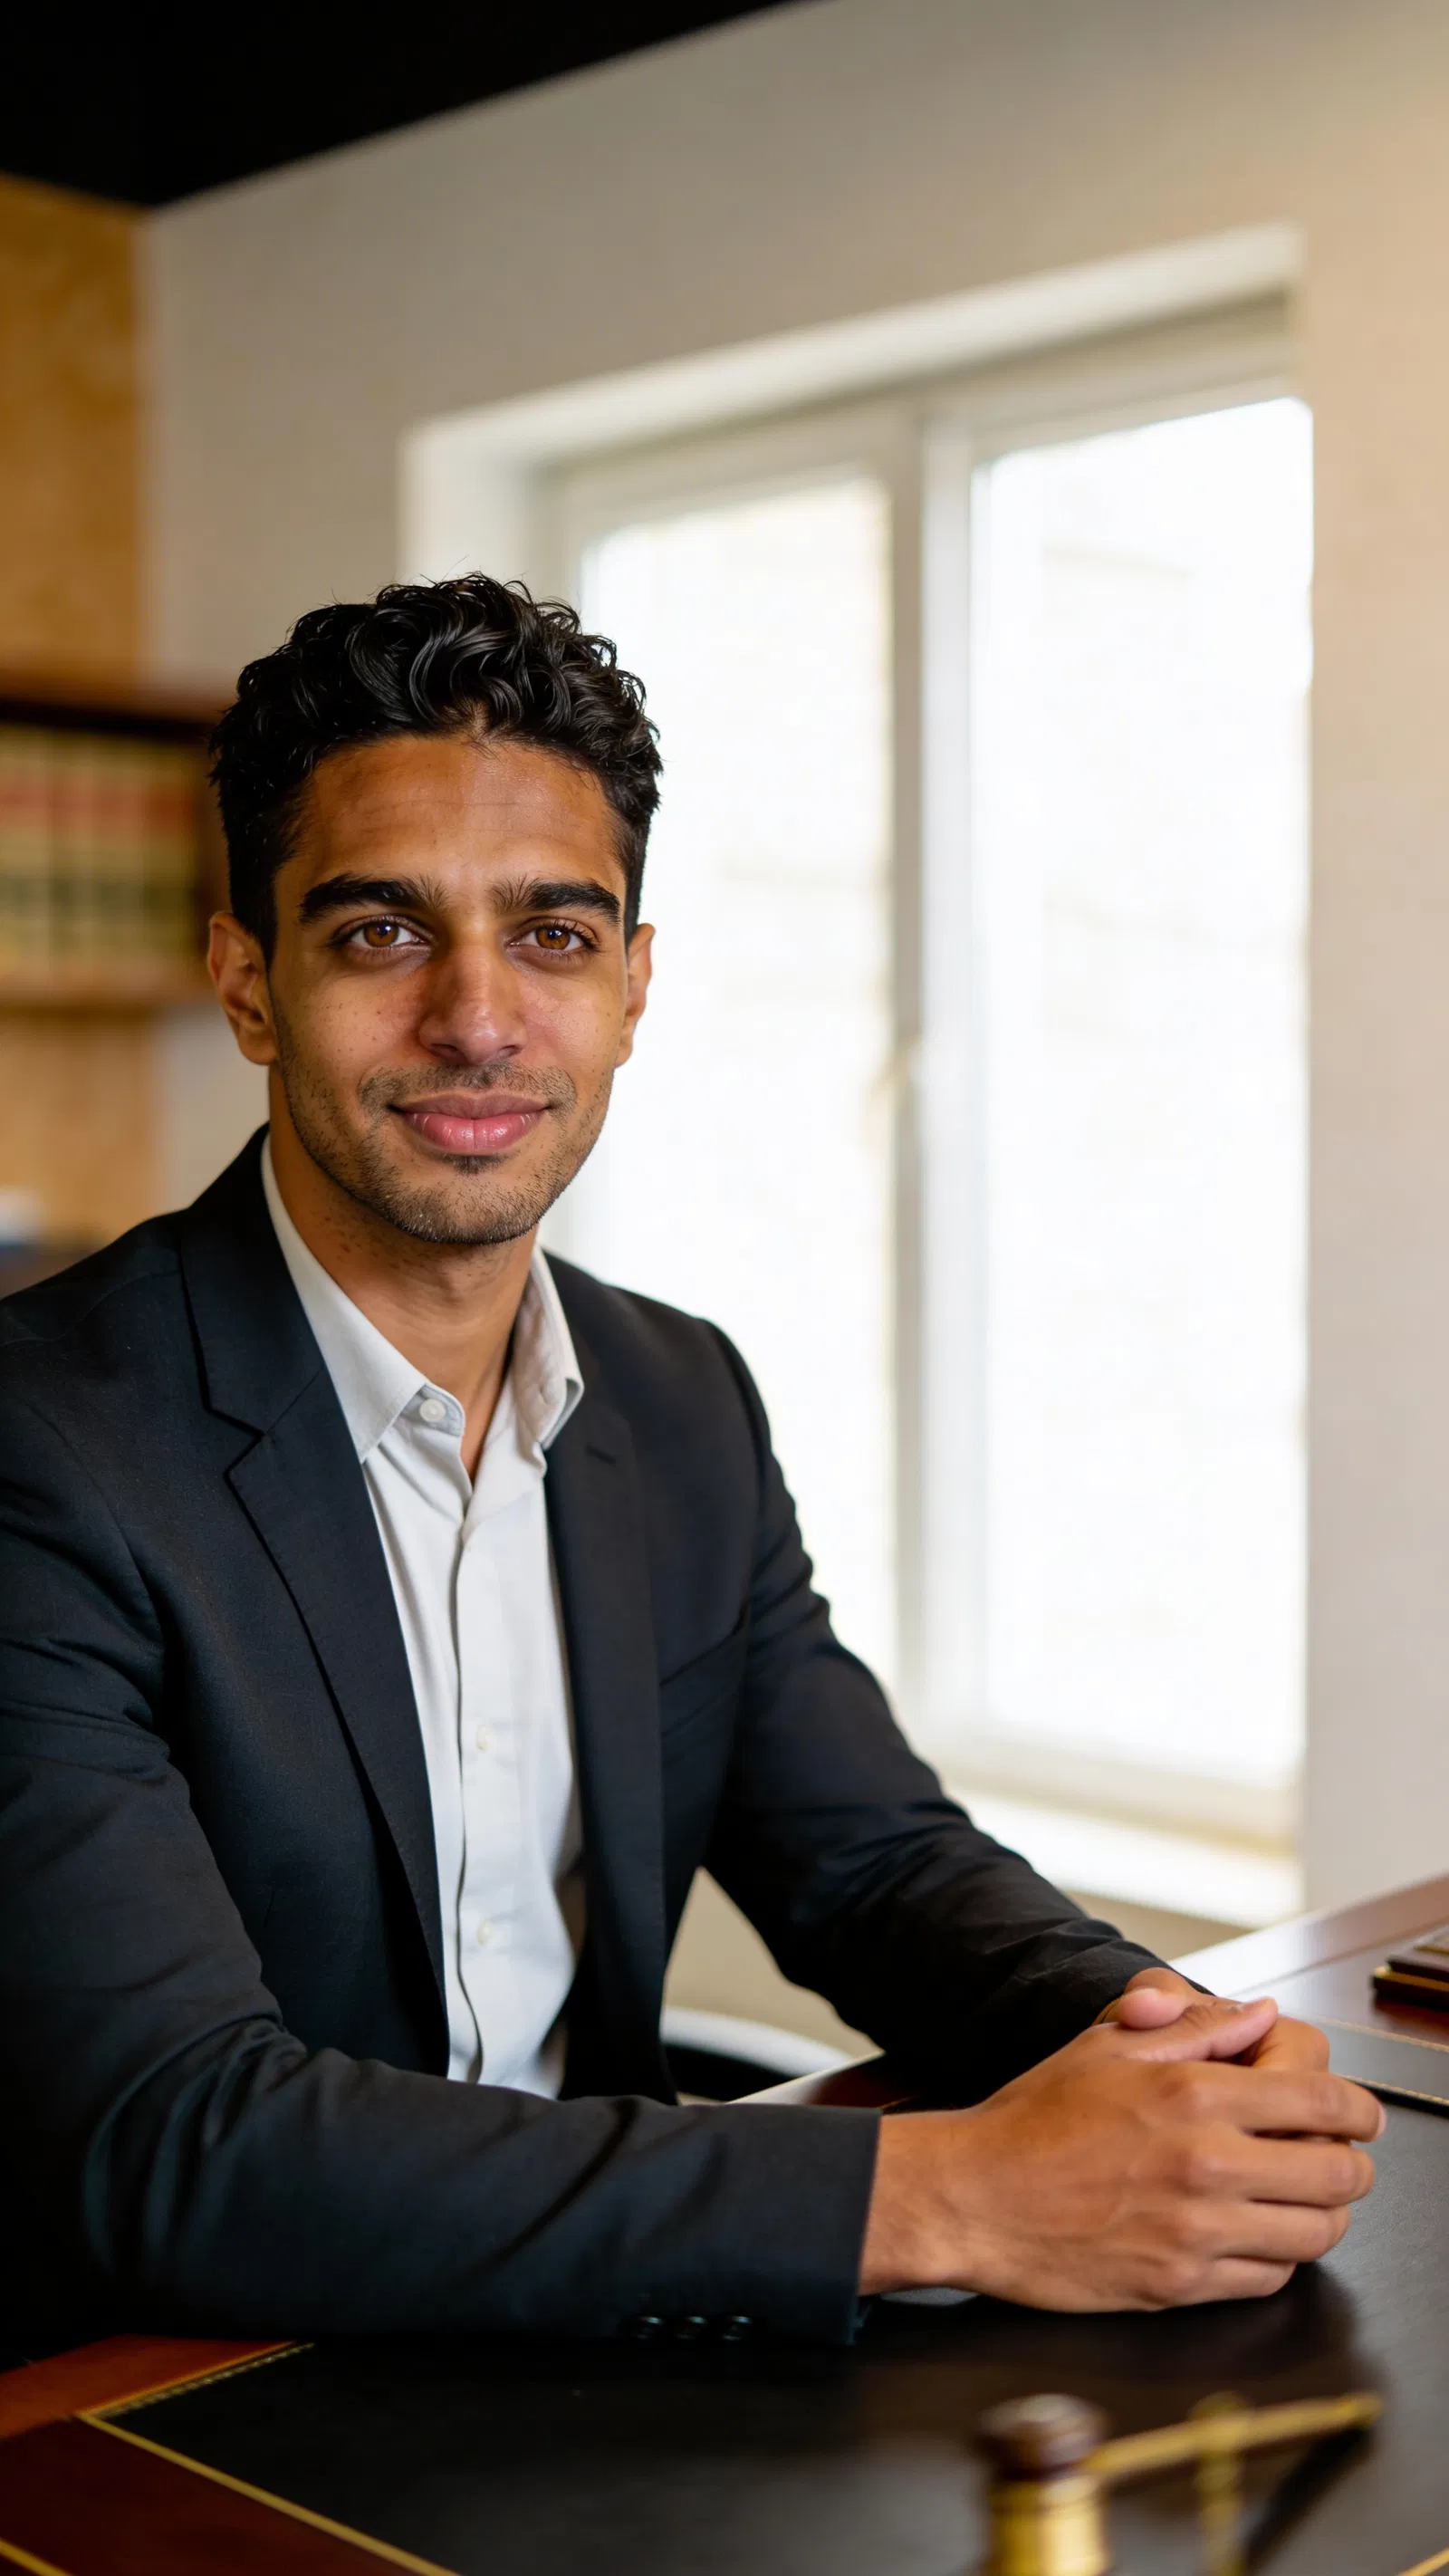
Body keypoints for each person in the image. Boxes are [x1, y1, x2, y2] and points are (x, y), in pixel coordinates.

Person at [0, 577, 1379, 2354]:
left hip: (607, 2361)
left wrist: (1166, 2048)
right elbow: (174, 2140)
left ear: (634, 986)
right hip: (165, 2407)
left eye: (554, 936)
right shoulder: (45, 1445)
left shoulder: (675, 1398)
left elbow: (870, 1862)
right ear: (248, 984)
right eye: (380, 935)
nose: (479, 1020)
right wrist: (955, 2198)